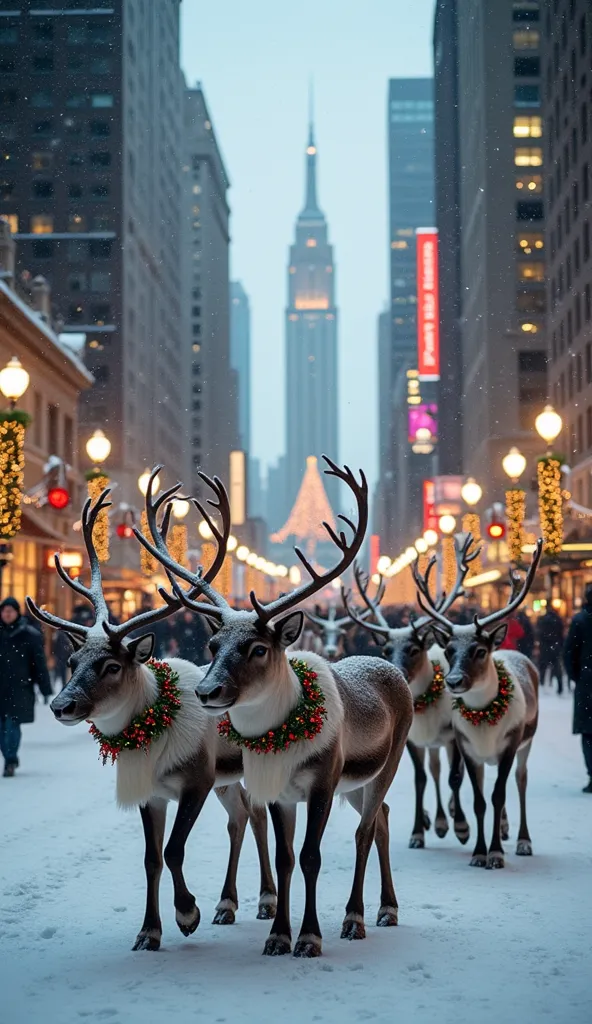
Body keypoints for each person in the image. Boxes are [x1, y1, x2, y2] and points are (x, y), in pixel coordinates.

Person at [0, 596, 52, 777]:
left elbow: (39, 664)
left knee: (12, 725)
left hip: (20, 688)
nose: (7, 614)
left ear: (17, 613)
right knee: (2, 728)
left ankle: (10, 759)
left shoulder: (29, 635)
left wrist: (45, 689)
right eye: (4, 611)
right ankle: (9, 757)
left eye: (10, 611)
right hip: (1, 688)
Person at [563, 585, 592, 793]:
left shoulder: (580, 621)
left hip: (588, 682)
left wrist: (578, 677)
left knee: (589, 733)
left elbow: (568, 653)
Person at [537, 605, 564, 693]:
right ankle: (560, 686)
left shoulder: (542, 619)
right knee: (556, 667)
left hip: (545, 646)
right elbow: (561, 633)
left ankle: (542, 683)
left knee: (543, 666)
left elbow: (539, 633)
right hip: (555, 646)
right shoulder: (557, 619)